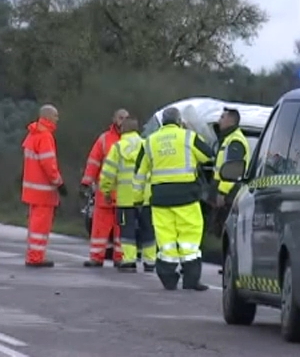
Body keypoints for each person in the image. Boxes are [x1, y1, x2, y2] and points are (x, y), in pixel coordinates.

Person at [135, 106, 215, 290]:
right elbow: (208, 156)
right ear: (180, 121)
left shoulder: (149, 142)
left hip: (160, 200)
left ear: (163, 121)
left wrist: (138, 198)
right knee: (190, 240)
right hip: (186, 197)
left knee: (166, 241)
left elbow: (139, 173)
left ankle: (168, 278)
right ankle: (191, 280)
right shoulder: (188, 137)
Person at [98, 116, 156, 273]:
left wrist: (107, 191)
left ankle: (129, 260)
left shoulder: (118, 148)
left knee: (127, 230)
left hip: (125, 199)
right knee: (148, 229)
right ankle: (150, 261)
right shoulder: (147, 145)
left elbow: (108, 173)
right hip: (145, 198)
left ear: (123, 129)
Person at [81, 108, 129, 267]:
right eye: (120, 117)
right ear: (114, 119)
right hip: (106, 193)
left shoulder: (133, 140)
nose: (123, 121)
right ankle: (96, 257)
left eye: (126, 118)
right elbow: (93, 160)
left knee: (121, 231)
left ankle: (120, 258)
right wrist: (87, 182)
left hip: (125, 194)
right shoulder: (104, 139)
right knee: (100, 228)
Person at [21, 104, 68, 268]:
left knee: (35, 226)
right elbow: (49, 164)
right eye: (55, 116)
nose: (57, 119)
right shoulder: (45, 136)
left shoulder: (32, 134)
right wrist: (59, 183)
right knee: (41, 226)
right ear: (48, 117)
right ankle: (36, 257)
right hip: (44, 191)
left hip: (32, 190)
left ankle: (33, 255)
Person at [213, 108, 250, 208]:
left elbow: (232, 170)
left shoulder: (235, 140)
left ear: (230, 121)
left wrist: (222, 192)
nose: (219, 121)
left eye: (222, 117)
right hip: (227, 193)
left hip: (230, 195)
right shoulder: (229, 138)